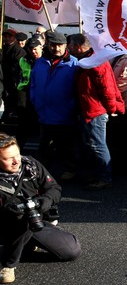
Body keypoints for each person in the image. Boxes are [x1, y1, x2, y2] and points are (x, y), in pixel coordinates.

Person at [0, 134, 81, 284]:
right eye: (8, 158)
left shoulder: (30, 164)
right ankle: (8, 264)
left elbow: (54, 188)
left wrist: (45, 201)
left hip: (34, 220)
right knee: (19, 219)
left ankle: (27, 243)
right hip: (6, 225)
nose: (16, 161)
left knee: (71, 251)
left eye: (17, 154)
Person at [69, 34, 126, 190]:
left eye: (71, 46)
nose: (69, 49)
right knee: (92, 144)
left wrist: (112, 108)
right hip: (89, 109)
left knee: (98, 145)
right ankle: (98, 174)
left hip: (95, 111)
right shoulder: (89, 60)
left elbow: (107, 88)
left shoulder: (96, 62)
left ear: (78, 47)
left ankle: (105, 178)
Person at [29, 31, 79, 181]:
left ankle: (70, 169)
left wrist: (72, 107)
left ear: (66, 46)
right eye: (53, 45)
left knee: (66, 146)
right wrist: (35, 101)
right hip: (44, 113)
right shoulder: (40, 62)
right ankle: (41, 174)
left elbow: (79, 89)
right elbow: (33, 83)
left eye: (60, 45)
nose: (56, 48)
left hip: (65, 113)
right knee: (44, 146)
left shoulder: (74, 64)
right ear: (48, 45)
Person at [2, 29, 26, 121]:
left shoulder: (18, 50)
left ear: (14, 38)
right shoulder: (5, 48)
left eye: (9, 36)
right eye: (5, 36)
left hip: (14, 83)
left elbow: (18, 68)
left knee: (14, 107)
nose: (7, 38)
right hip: (6, 81)